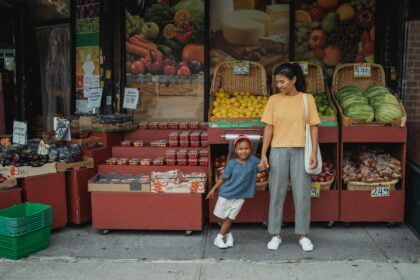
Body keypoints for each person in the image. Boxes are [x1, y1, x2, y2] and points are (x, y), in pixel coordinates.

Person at [260, 63, 320, 252]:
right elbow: (268, 127)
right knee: (276, 193)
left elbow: (314, 126)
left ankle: (303, 234)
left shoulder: (307, 99)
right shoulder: (273, 100)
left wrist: (313, 152)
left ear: (294, 80)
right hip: (278, 150)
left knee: (302, 194)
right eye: (277, 82)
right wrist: (263, 153)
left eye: (282, 81)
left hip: (301, 150)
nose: (279, 85)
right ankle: (275, 234)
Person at [206, 135, 264, 249]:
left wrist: (265, 164)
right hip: (227, 194)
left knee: (230, 218)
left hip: (240, 196)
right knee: (223, 217)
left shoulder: (253, 160)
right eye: (240, 149)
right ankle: (229, 236)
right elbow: (223, 178)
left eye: (246, 148)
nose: (244, 151)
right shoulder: (232, 163)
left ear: (250, 149)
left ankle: (218, 238)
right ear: (236, 150)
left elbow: (261, 168)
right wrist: (213, 189)